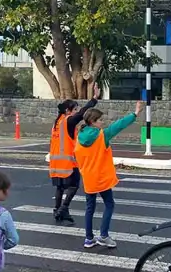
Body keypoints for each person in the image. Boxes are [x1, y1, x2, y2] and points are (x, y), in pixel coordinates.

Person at [74, 101, 141, 249]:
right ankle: (104, 235)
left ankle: (88, 239)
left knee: (89, 208)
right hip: (101, 177)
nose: (102, 123)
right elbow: (118, 126)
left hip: (88, 177)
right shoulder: (101, 136)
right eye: (100, 120)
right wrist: (134, 114)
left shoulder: (79, 137)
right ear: (93, 121)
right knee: (109, 204)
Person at [49, 85, 101, 225]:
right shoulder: (68, 121)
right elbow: (82, 114)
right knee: (74, 186)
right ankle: (63, 208)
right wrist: (94, 99)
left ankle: (57, 210)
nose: (77, 112)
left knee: (60, 188)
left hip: (55, 163)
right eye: (75, 109)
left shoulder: (57, 123)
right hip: (68, 163)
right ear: (68, 111)